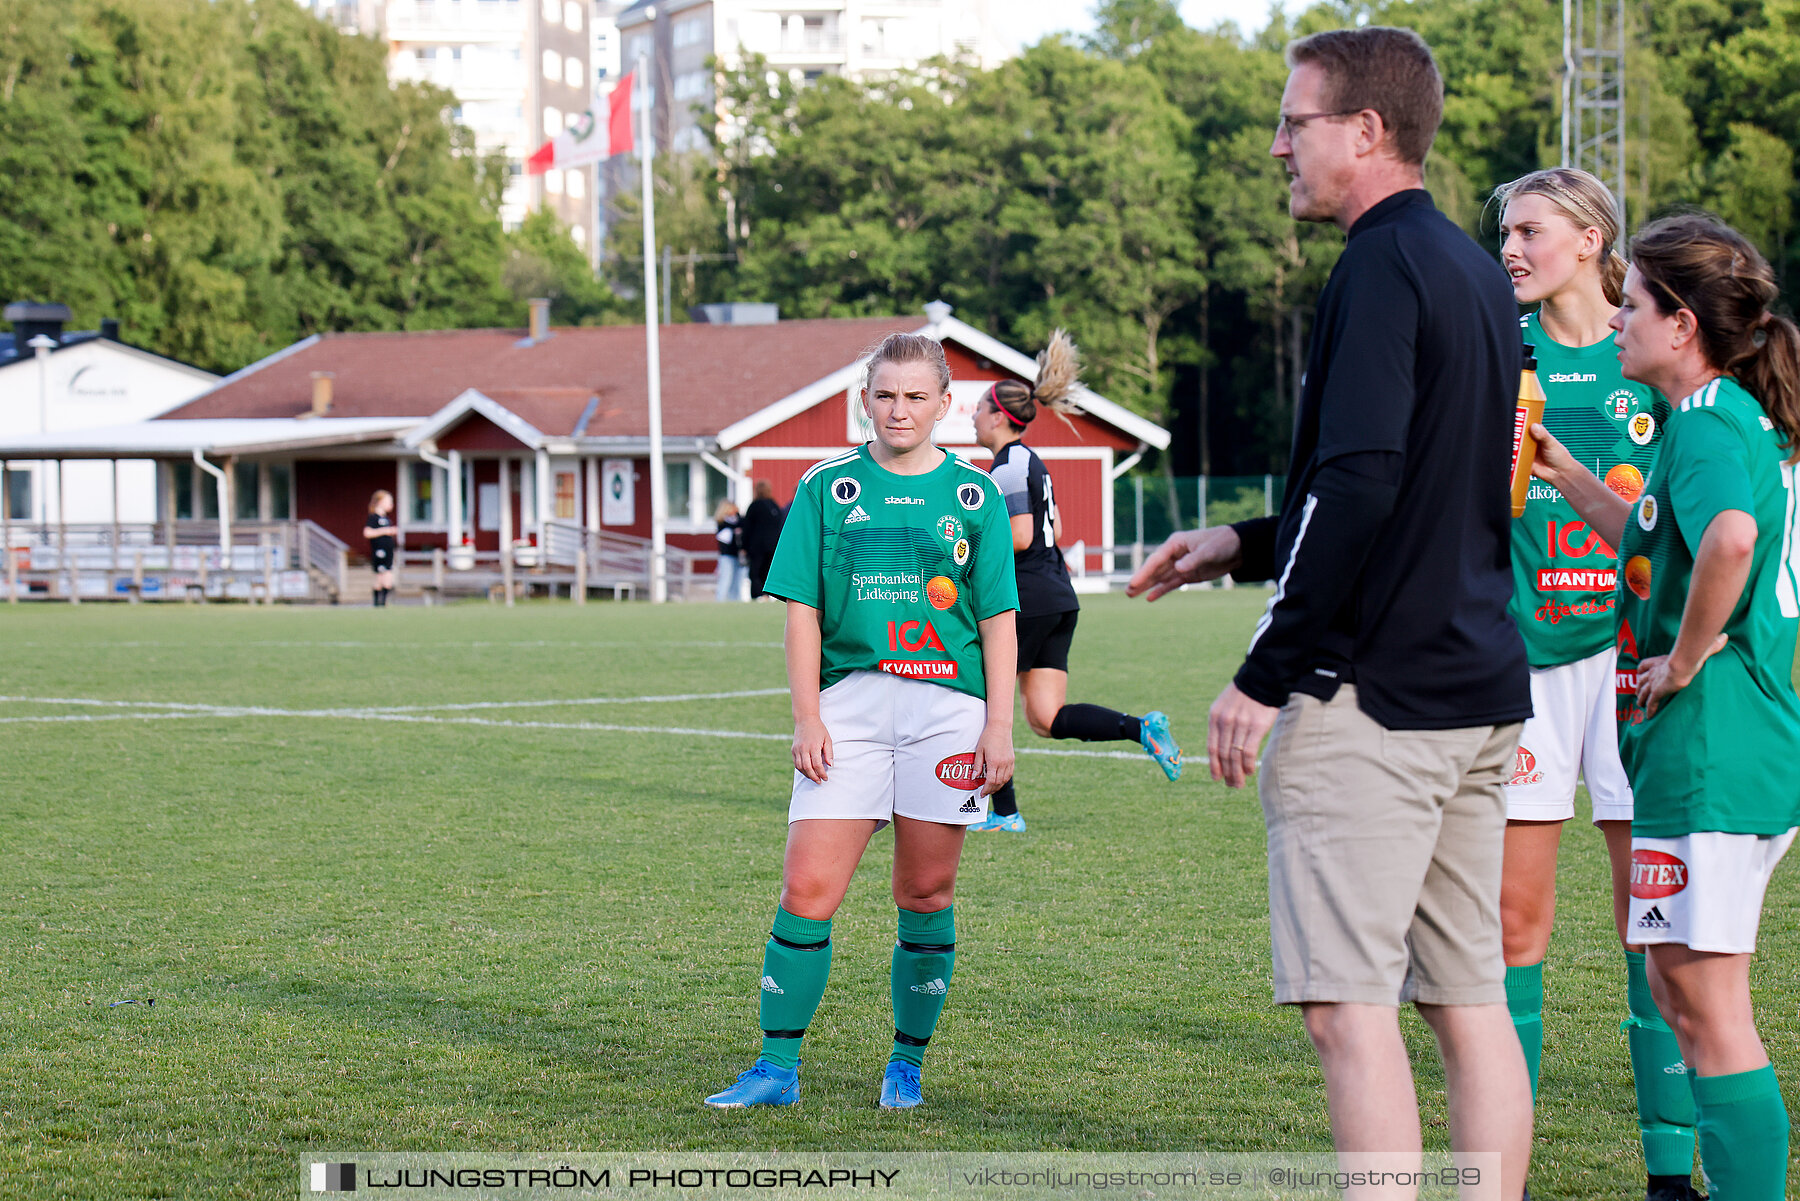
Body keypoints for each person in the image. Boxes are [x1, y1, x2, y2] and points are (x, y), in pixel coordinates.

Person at [1127, 27, 1534, 1197]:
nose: (1276, 146)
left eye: (1294, 122)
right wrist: (1239, 543)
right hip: (1472, 690)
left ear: (1366, 132)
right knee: (1470, 1004)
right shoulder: (1466, 266)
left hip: (1376, 704)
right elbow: (1417, 486)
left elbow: (1360, 486)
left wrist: (1264, 676)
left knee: (1346, 1012)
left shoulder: (1376, 266)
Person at [1528, 213, 1800, 1201]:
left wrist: (1684, 657)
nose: (1617, 326)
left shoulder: (1706, 424)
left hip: (1717, 753)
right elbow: (1658, 533)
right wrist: (1565, 473)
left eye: (1632, 305)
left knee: (1710, 1001)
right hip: (1695, 759)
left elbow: (1727, 537)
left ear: (1680, 325)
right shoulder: (1705, 420)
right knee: (1682, 988)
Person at [703, 332, 1018, 1111]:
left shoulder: (975, 495)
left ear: (945, 405)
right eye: (885, 395)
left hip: (950, 710)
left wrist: (1000, 726)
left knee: (926, 889)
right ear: (864, 400)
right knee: (807, 885)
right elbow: (802, 610)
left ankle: (905, 1063)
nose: (899, 409)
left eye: (916, 396)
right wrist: (807, 714)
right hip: (849, 707)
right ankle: (776, 1068)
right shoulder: (826, 486)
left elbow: (1001, 619)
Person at [1493, 168, 1692, 1200]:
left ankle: (1670, 1172)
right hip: (1523, 671)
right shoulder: (1497, 358)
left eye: (1528, 230)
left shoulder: (1654, 348)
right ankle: (1509, 1174)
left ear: (1588, 237)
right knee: (1513, 931)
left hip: (1636, 669)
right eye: (1505, 233)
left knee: (1651, 923)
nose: (1511, 250)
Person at [967, 329, 1181, 834]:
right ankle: (1141, 727)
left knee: (980, 695)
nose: (974, 417)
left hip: (1029, 596)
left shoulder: (1007, 466)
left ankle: (1005, 813)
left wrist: (966, 550)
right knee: (1045, 716)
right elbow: (1056, 529)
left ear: (999, 416)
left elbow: (1021, 535)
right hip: (1059, 594)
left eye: (979, 408)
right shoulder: (1032, 463)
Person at [741, 479, 785, 600]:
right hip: (773, 545)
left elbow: (747, 528)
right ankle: (768, 595)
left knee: (755, 571)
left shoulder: (755, 506)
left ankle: (757, 595)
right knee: (767, 570)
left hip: (757, 545)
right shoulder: (774, 506)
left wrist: (743, 546)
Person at [363, 490, 397, 607]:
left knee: (387, 579)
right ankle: (378, 603)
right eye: (389, 501)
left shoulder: (386, 519)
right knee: (381, 578)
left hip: (388, 552)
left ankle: (383, 603)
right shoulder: (374, 518)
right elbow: (367, 533)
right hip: (379, 552)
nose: (391, 504)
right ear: (380, 502)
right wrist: (385, 531)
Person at [713, 499, 746, 602]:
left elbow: (742, 523)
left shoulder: (739, 520)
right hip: (726, 555)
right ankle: (720, 600)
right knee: (725, 578)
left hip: (737, 555)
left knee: (737, 581)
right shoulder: (722, 522)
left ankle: (735, 600)